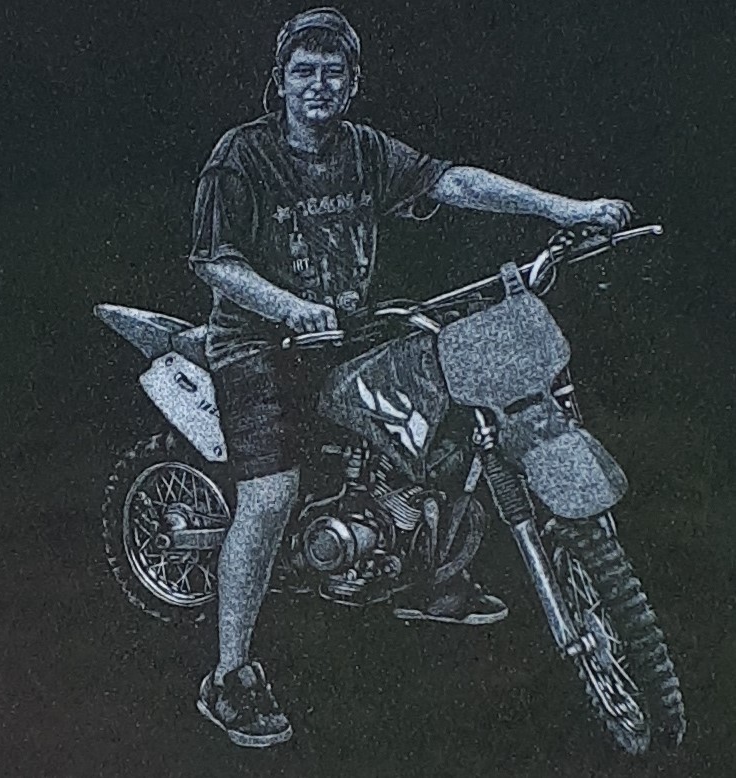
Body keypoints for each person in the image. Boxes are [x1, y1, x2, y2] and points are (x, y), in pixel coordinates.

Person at [189, 7, 633, 749]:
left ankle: (437, 580)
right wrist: (290, 308)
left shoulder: (364, 149)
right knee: (270, 496)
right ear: (280, 82)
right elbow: (214, 262)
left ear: (353, 82)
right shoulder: (242, 155)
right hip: (258, 345)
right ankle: (229, 676)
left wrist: (565, 210)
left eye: (334, 71)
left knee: (456, 421)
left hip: (345, 333)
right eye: (304, 71)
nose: (319, 84)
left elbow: (452, 181)